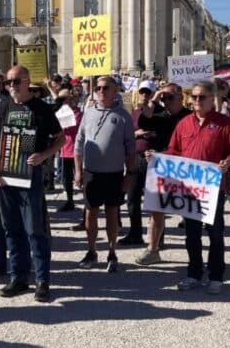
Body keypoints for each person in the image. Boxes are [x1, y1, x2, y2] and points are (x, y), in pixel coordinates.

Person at [0, 66, 64, 302]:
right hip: (4, 178)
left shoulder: (41, 108)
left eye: (15, 81)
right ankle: (18, 277)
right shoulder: (2, 107)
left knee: (35, 230)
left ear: (27, 81)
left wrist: (44, 155)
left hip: (30, 177)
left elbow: (61, 139)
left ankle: (42, 281)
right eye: (8, 82)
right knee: (12, 229)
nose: (11, 86)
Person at [167, 80, 230, 295]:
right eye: (194, 97)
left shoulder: (224, 123)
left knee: (215, 233)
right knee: (191, 234)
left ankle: (216, 275)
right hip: (189, 189)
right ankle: (193, 273)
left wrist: (228, 162)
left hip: (212, 188)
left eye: (202, 97)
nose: (197, 101)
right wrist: (156, 159)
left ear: (212, 99)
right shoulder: (183, 124)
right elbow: (174, 151)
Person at [74, 76, 136, 273]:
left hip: (114, 173)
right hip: (91, 173)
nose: (101, 91)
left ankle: (112, 251)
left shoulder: (123, 116)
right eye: (98, 88)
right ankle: (91, 251)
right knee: (90, 213)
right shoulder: (88, 112)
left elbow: (130, 148)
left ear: (115, 90)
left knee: (112, 213)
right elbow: (79, 142)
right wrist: (77, 170)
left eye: (106, 88)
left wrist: (129, 174)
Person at [134, 82, 191, 266]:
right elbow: (144, 121)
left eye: (170, 97)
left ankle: (194, 254)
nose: (166, 101)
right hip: (161, 167)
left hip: (184, 168)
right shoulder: (160, 115)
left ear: (181, 97)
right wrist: (154, 99)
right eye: (164, 98)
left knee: (189, 213)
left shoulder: (190, 117)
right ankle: (153, 249)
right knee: (156, 211)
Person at [120, 81, 155, 245]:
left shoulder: (161, 113)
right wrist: (137, 133)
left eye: (148, 92)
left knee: (154, 200)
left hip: (155, 159)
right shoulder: (133, 113)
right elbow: (126, 135)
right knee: (132, 197)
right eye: (142, 92)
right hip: (136, 158)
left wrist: (153, 133)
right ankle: (135, 232)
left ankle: (157, 237)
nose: (145, 95)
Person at [55, 88, 81, 213]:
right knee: (67, 178)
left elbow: (68, 125)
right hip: (65, 148)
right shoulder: (61, 111)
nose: (60, 102)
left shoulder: (76, 112)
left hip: (76, 149)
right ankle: (69, 200)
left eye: (62, 99)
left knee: (80, 176)